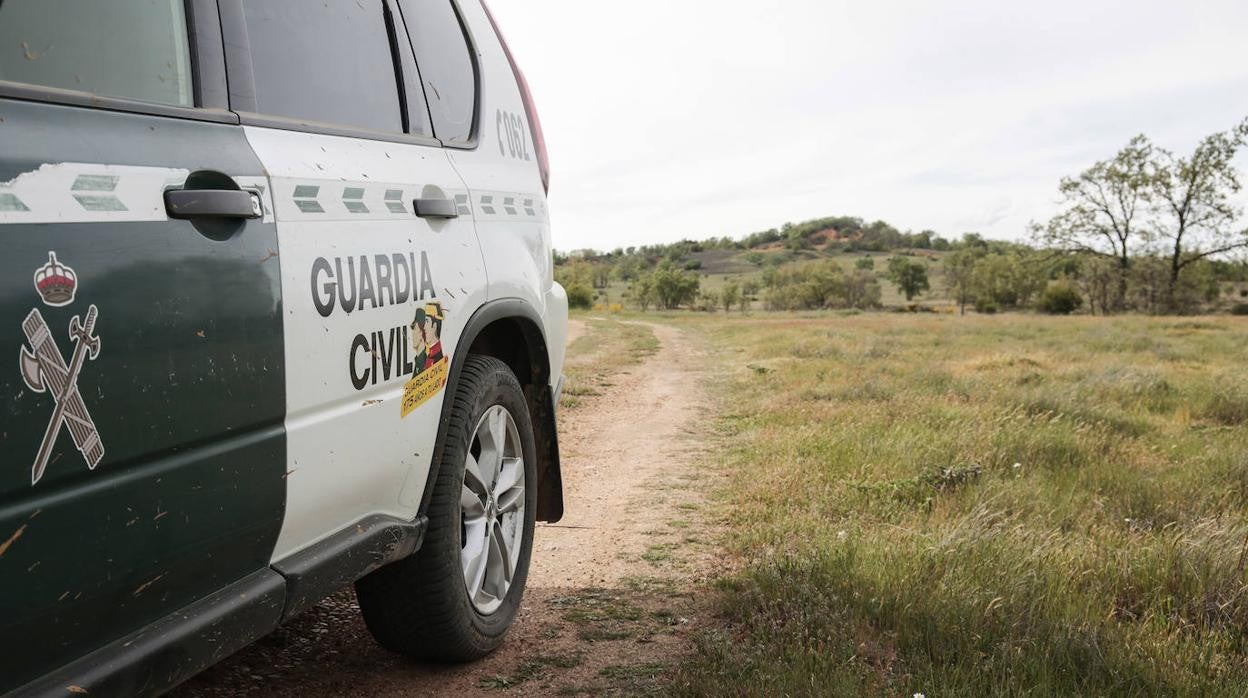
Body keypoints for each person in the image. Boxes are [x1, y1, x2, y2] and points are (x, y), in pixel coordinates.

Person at [409, 301, 445, 373]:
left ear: (434, 326)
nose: (424, 327)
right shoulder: (430, 354)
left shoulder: (437, 357)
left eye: (427, 321)